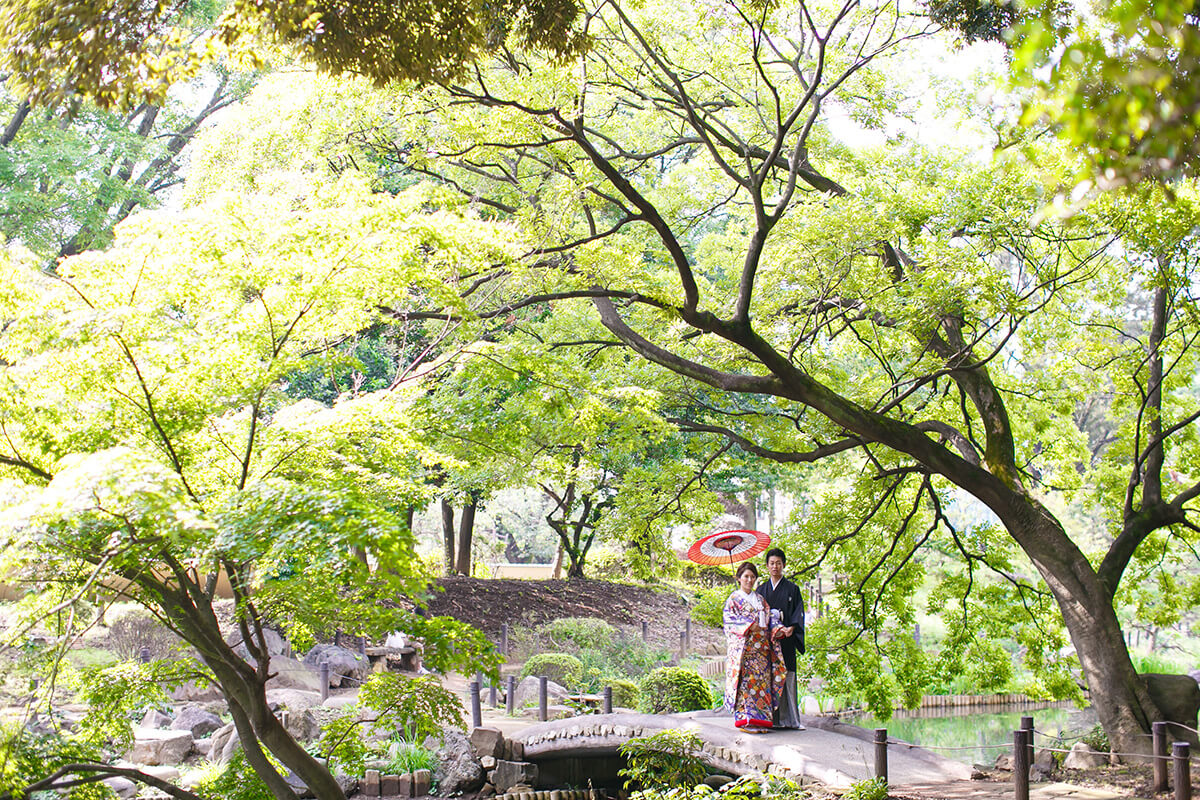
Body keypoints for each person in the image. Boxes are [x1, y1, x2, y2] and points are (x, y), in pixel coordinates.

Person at [723, 561, 785, 732]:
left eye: (752, 577)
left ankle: (761, 720)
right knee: (746, 685)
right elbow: (729, 623)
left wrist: (778, 629)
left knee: (762, 685)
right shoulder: (733, 599)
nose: (749, 580)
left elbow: (770, 618)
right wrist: (750, 626)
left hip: (762, 650)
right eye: (746, 577)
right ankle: (745, 720)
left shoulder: (760, 599)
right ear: (739, 579)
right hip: (745, 650)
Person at [757, 547, 806, 730]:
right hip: (768, 642)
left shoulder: (793, 589)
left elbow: (798, 613)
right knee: (768, 678)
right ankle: (770, 719)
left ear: (783, 565)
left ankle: (791, 720)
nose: (775, 566)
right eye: (772, 563)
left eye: (778, 563)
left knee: (788, 676)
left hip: (786, 640)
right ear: (767, 566)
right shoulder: (761, 589)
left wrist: (791, 628)